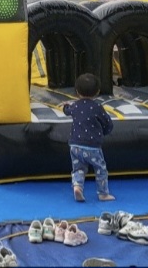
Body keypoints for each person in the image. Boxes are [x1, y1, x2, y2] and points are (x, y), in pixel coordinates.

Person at [62, 73, 115, 202]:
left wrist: (65, 106)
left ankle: (78, 187)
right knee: (100, 169)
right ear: (97, 92)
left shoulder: (75, 106)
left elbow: (67, 111)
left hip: (75, 145)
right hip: (92, 146)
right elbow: (108, 123)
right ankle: (103, 193)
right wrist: (104, 132)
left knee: (78, 168)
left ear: (77, 91)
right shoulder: (97, 107)